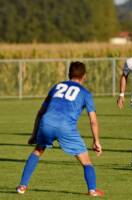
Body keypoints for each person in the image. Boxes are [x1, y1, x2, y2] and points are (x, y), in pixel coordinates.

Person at [16, 62, 104, 197]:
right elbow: (93, 120)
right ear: (84, 77)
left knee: (38, 151)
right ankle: (92, 190)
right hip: (66, 127)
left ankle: (22, 186)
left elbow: (40, 112)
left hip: (47, 123)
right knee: (86, 161)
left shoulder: (57, 87)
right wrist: (96, 141)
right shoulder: (86, 93)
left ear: (69, 74)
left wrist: (34, 134)